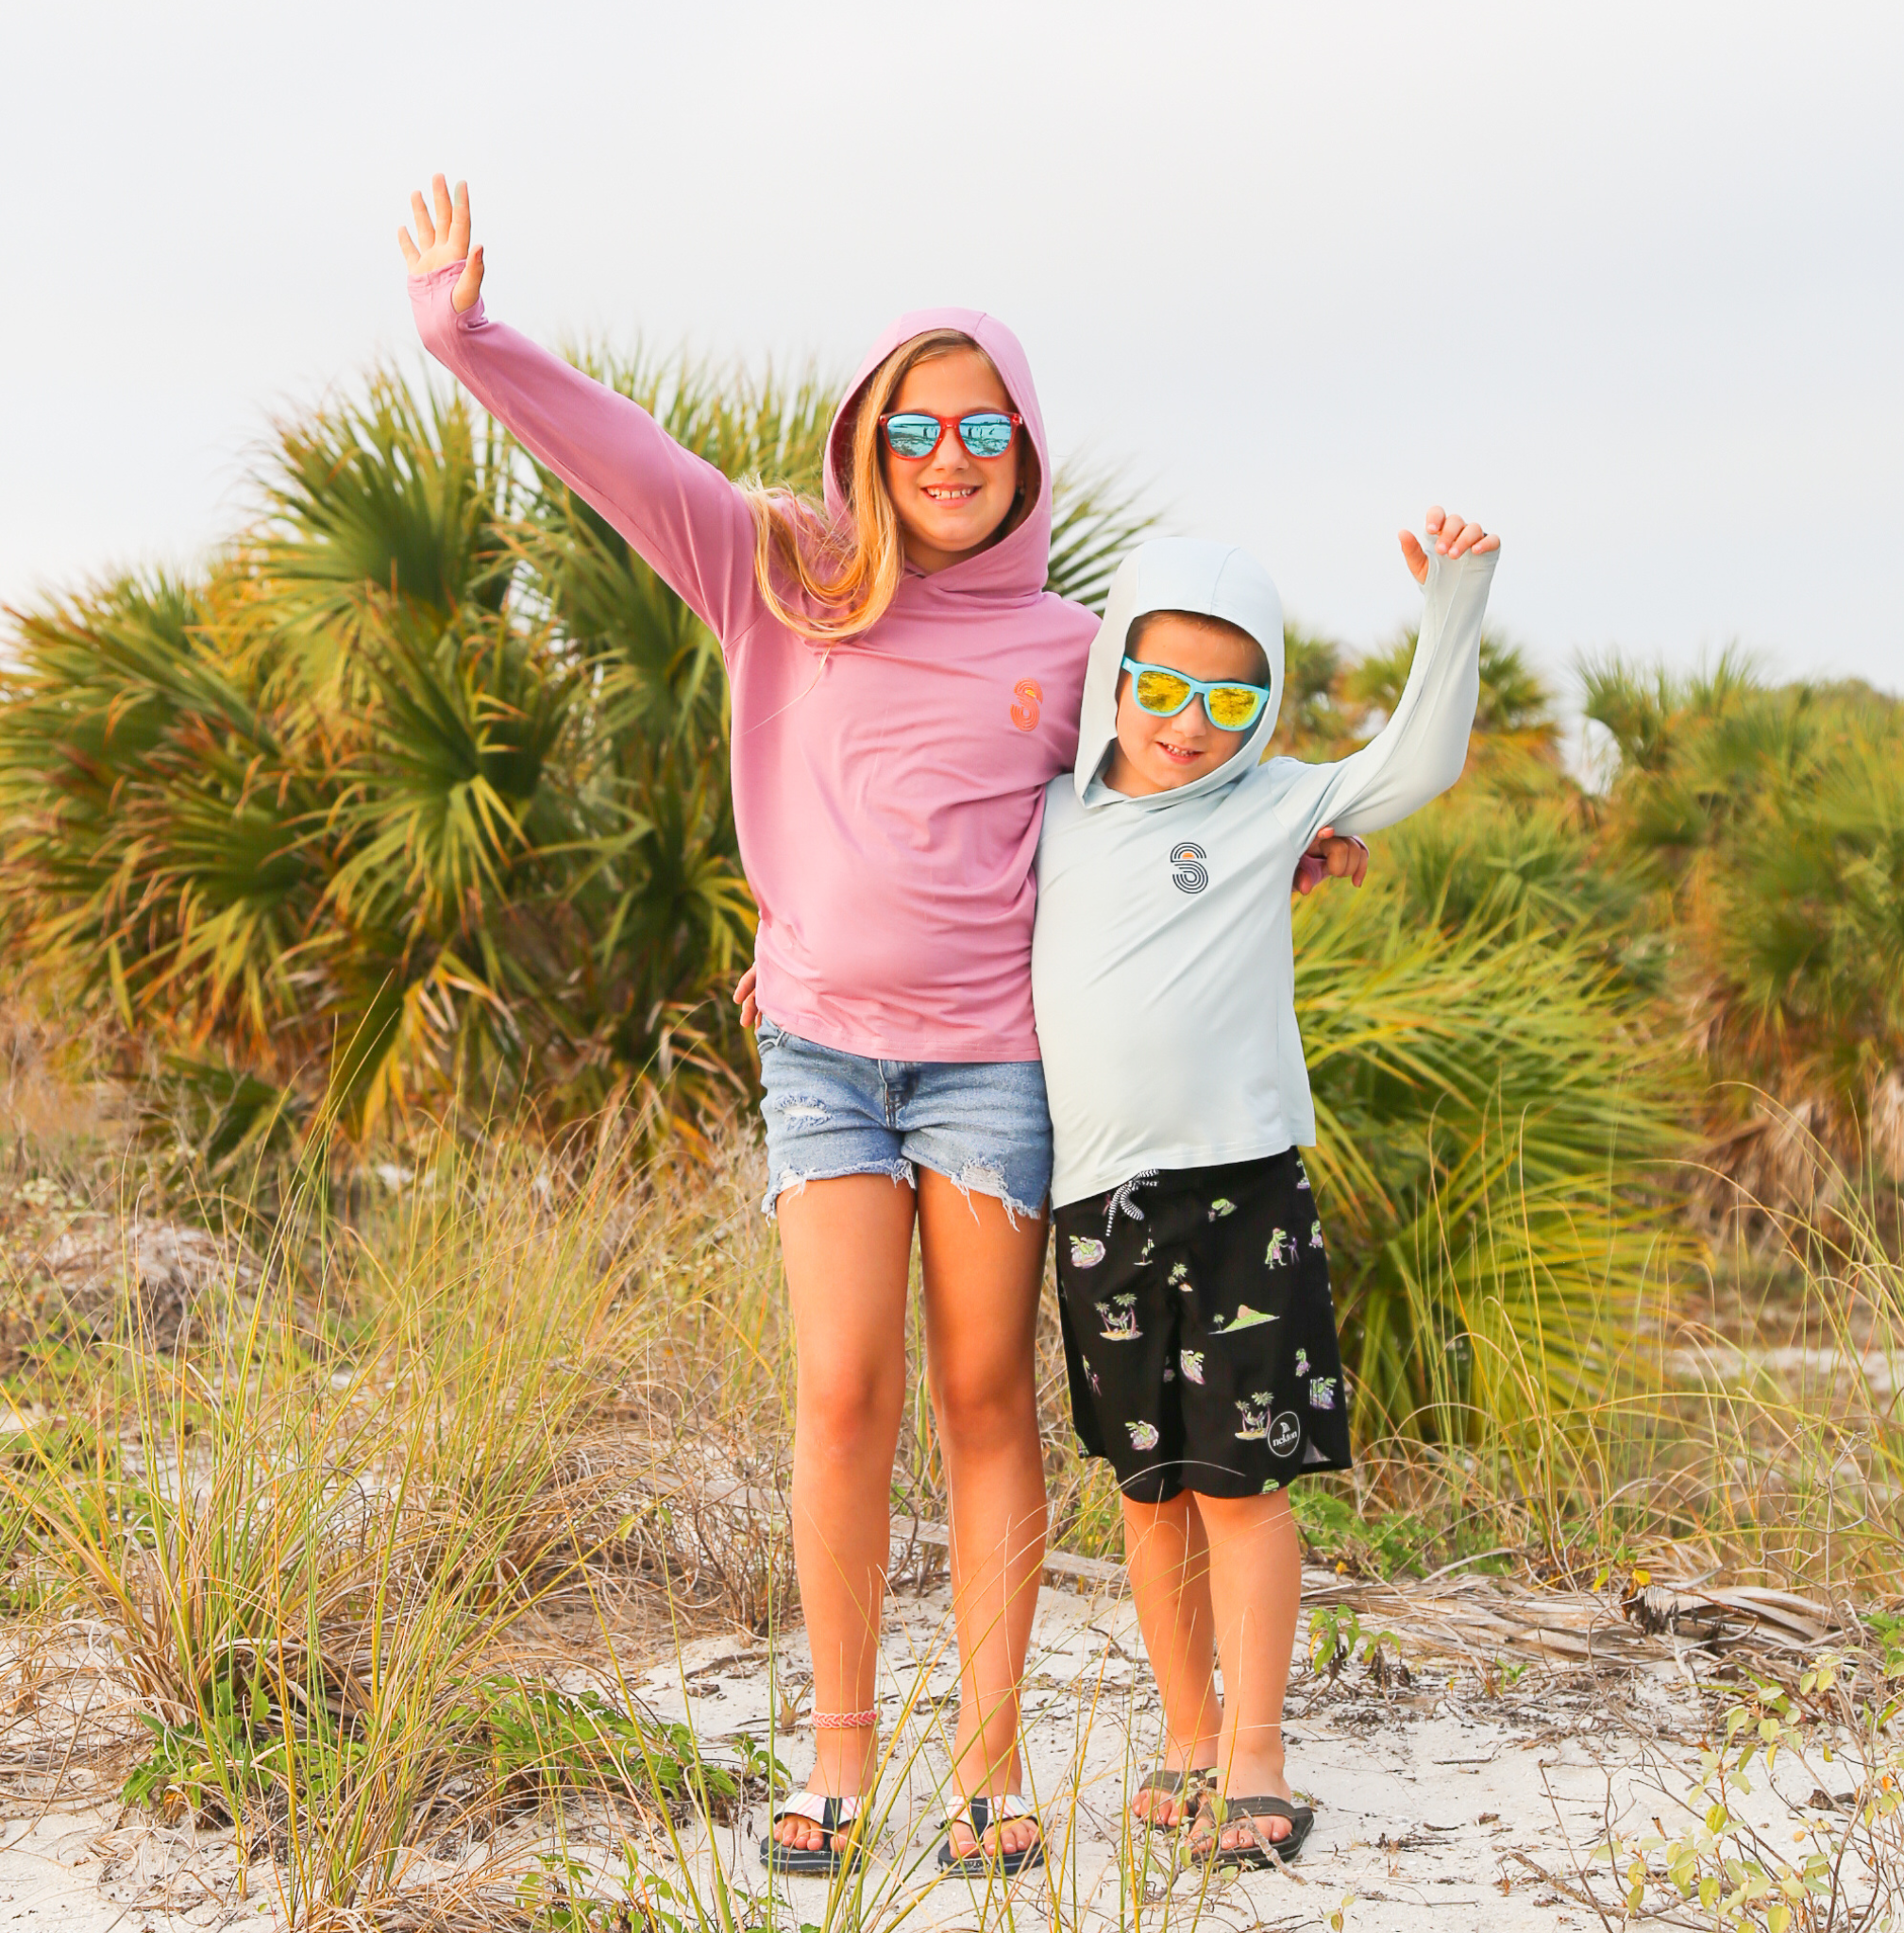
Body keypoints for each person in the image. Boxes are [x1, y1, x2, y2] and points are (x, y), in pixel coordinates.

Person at [396, 175, 1363, 1876]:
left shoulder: (1074, 648)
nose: (947, 451)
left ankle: (987, 1765)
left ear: (1024, 444)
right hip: (825, 1057)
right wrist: (466, 335)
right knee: (843, 1393)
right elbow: (623, 458)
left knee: (987, 1395)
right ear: (870, 437)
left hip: (996, 1067)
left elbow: (1179, 781)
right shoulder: (776, 569)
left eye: (981, 422)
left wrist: (1296, 845)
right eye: (914, 424)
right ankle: (840, 1755)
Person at [1030, 511, 1498, 1867]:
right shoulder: (1054, 811)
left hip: (1244, 1196)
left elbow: (1415, 767)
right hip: (1100, 1201)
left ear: (1267, 704)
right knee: (1147, 1488)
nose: (1189, 724)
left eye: (1230, 699)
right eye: (1162, 688)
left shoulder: (1273, 801)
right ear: (1114, 673)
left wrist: (1454, 604)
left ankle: (1255, 1752)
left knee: (1243, 1487)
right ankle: (1184, 1729)